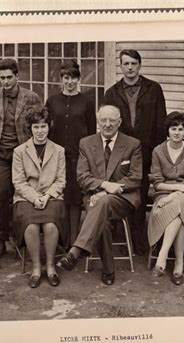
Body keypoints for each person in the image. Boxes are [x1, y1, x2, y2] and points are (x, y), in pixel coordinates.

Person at [56, 105, 142, 285]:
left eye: (112, 120)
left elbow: (135, 178)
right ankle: (108, 270)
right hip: (94, 197)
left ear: (119, 122)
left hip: (122, 198)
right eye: (103, 120)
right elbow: (82, 177)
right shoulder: (86, 143)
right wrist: (104, 186)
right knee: (101, 216)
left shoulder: (132, 144)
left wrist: (109, 190)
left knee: (101, 204)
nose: (108, 124)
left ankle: (75, 251)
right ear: (98, 122)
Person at [104, 49, 167, 256]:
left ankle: (139, 237)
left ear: (139, 65)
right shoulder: (111, 93)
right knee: (122, 190)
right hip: (121, 152)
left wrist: (156, 150)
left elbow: (161, 122)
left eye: (133, 63)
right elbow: (108, 125)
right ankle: (118, 233)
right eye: (125, 64)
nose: (129, 68)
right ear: (120, 67)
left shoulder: (153, 89)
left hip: (147, 150)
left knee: (140, 191)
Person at [0, 58, 42, 257]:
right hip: (0, 153)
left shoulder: (31, 98)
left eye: (9, 77)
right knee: (1, 193)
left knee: (25, 192)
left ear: (18, 76)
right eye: (2, 78)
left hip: (23, 154)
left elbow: (38, 123)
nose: (6, 81)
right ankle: (0, 238)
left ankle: (21, 237)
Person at [12, 107, 66, 288]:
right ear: (30, 128)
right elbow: (18, 182)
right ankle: (36, 268)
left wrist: (48, 195)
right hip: (26, 197)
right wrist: (35, 198)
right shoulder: (19, 151)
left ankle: (50, 267)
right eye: (36, 127)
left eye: (43, 126)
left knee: (50, 224)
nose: (40, 131)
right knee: (31, 224)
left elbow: (60, 181)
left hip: (52, 196)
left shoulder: (59, 150)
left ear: (49, 127)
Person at [147, 112, 184, 286]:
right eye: (173, 128)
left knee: (182, 206)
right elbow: (157, 182)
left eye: (181, 129)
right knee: (179, 214)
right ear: (168, 130)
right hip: (164, 194)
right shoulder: (158, 150)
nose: (177, 132)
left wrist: (173, 195)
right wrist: (177, 189)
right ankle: (179, 264)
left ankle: (162, 257)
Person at [45, 60, 96, 249]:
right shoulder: (52, 101)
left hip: (77, 157)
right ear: (61, 79)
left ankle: (74, 240)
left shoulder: (87, 102)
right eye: (66, 78)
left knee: (75, 198)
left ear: (78, 79)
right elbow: (47, 129)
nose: (70, 82)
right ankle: (60, 238)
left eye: (73, 77)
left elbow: (91, 132)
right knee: (59, 196)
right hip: (56, 157)